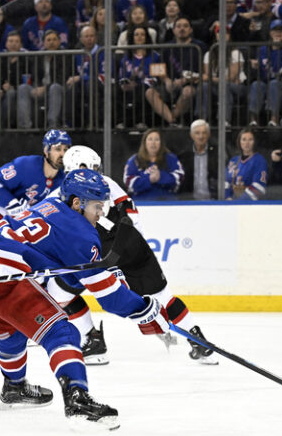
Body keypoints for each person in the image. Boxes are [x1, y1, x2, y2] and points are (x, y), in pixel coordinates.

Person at [0, 168, 172, 428]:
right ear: (77, 203)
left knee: (11, 332)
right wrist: (146, 311)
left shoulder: (51, 204)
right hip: (2, 270)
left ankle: (14, 387)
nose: (101, 213)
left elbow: (62, 271)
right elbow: (110, 297)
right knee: (61, 332)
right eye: (97, 206)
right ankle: (77, 399)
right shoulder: (82, 234)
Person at [46, 146, 218, 365]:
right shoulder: (110, 183)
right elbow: (133, 220)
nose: (97, 172)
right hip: (132, 246)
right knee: (164, 297)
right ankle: (197, 339)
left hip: (92, 253)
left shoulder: (60, 194)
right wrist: (130, 252)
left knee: (58, 297)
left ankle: (93, 340)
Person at [0, 129, 70, 226]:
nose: (63, 154)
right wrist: (12, 204)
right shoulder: (25, 166)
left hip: (22, 222)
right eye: (57, 149)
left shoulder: (63, 180)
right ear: (46, 150)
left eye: (66, 149)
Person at [116, 25, 174, 128]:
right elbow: (122, 78)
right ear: (132, 38)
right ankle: (121, 122)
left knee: (142, 89)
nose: (139, 37)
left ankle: (140, 122)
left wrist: (167, 80)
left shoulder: (154, 56)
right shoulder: (126, 58)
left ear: (146, 37)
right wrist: (126, 84)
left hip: (149, 86)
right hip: (130, 86)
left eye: (142, 34)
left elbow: (161, 75)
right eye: (136, 35)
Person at [248, 20, 282, 127]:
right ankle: (253, 120)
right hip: (265, 81)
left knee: (274, 84)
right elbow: (259, 71)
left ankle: (273, 119)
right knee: (256, 85)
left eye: (281, 31)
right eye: (275, 30)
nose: (278, 33)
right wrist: (254, 67)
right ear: (270, 33)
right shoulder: (262, 50)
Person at [17, 29, 68, 129]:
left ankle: (53, 125)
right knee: (23, 88)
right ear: (44, 42)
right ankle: (25, 126)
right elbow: (34, 75)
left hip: (58, 89)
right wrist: (36, 87)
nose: (51, 42)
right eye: (48, 40)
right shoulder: (38, 56)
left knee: (54, 87)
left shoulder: (65, 56)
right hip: (39, 88)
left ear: (59, 41)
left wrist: (45, 88)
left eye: (54, 39)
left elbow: (61, 78)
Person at [199, 23, 247, 128]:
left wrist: (212, 78)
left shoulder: (236, 53)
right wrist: (212, 79)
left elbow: (230, 77)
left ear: (229, 36)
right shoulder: (209, 54)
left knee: (225, 86)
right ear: (216, 36)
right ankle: (202, 120)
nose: (223, 35)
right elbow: (207, 77)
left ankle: (224, 120)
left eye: (226, 33)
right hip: (219, 86)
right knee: (205, 86)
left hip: (237, 88)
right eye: (219, 33)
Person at [123, 128, 184, 200]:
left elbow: (179, 177)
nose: (153, 143)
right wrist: (149, 179)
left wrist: (160, 177)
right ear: (144, 142)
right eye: (150, 139)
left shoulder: (171, 158)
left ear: (161, 143)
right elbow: (128, 182)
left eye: (157, 139)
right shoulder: (134, 160)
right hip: (141, 204)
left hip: (167, 203)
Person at [178, 119, 218, 200]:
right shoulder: (184, 156)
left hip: (213, 201)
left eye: (204, 133)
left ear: (209, 134)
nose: (201, 136)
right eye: (197, 133)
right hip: (189, 202)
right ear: (191, 135)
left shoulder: (217, 153)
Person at [224, 127, 268, 200]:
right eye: (244, 139)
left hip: (250, 206)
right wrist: (228, 198)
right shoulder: (233, 161)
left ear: (254, 142)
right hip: (232, 204)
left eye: (250, 139)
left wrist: (238, 202)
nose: (247, 143)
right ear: (239, 142)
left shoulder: (260, 161)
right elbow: (226, 182)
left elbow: (259, 187)